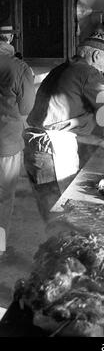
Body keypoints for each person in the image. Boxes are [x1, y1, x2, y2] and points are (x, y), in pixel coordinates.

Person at [24, 32, 104, 222]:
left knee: (52, 211)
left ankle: (56, 246)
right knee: (63, 214)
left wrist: (100, 139)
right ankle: (60, 249)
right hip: (52, 151)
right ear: (96, 56)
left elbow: (62, 122)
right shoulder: (86, 72)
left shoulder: (62, 69)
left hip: (37, 148)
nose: (103, 69)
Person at [0, 23, 35, 253]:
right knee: (3, 197)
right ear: (10, 38)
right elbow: (25, 108)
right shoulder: (19, 68)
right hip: (5, 143)